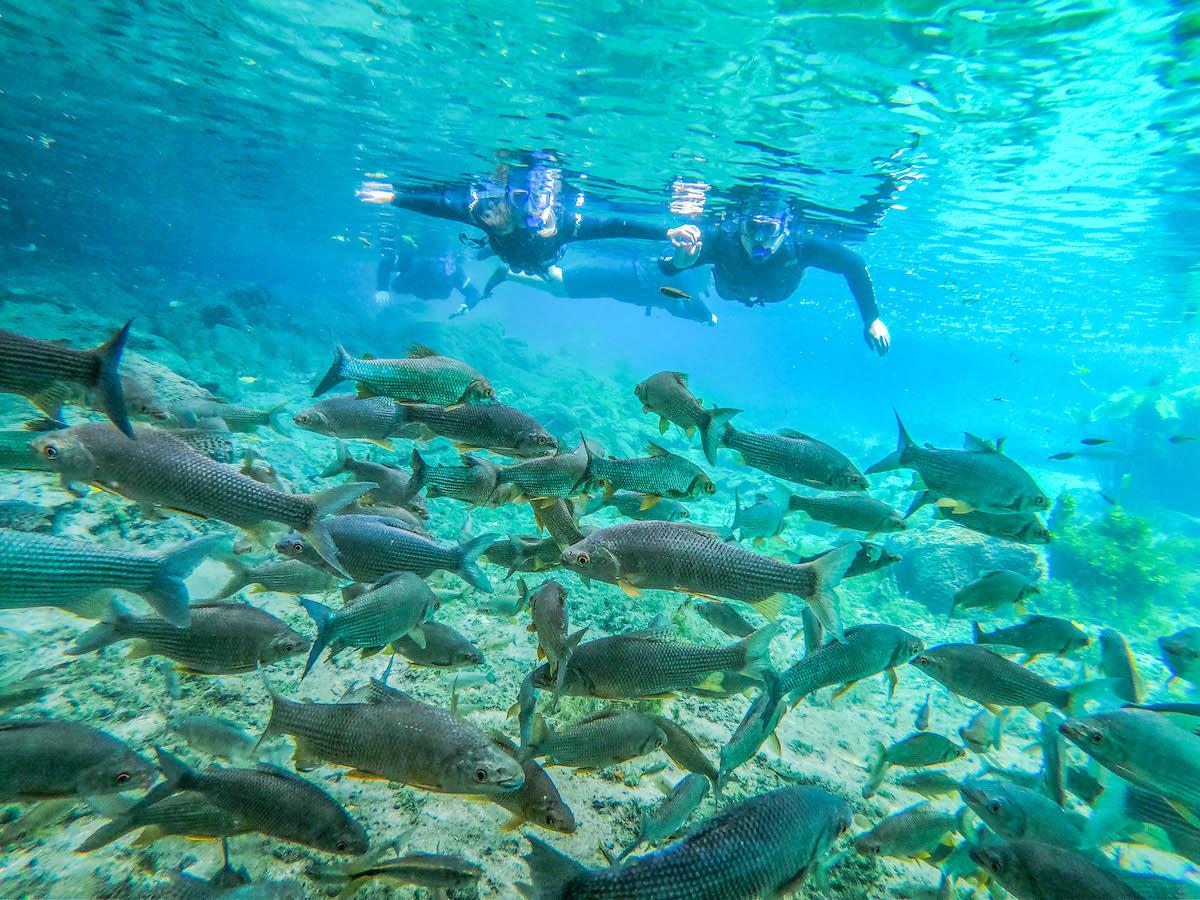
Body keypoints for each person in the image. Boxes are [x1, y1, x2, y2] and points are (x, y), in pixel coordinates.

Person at [358, 154, 668, 279]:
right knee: (494, 247)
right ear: (507, 194)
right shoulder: (491, 214)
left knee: (540, 270)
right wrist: (394, 195)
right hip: (504, 252)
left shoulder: (568, 222)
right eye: (520, 197)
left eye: (539, 197)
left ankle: (517, 265)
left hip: (544, 261)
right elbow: (442, 204)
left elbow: (618, 224)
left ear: (553, 196)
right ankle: (487, 251)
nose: (530, 206)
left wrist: (667, 233)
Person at [663, 193, 893, 355]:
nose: (760, 239)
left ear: (785, 228)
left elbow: (853, 264)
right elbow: (666, 268)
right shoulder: (722, 241)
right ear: (740, 225)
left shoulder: (803, 245)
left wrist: (871, 318)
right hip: (732, 291)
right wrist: (678, 263)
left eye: (769, 228)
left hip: (771, 291)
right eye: (752, 227)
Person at [373, 239, 482, 317]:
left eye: (452, 264)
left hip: (427, 290)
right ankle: (400, 275)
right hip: (412, 284)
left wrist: (467, 306)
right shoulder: (417, 263)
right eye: (446, 263)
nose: (450, 268)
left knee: (444, 292)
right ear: (437, 261)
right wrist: (382, 289)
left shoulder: (456, 273)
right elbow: (385, 263)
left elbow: (473, 292)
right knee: (397, 287)